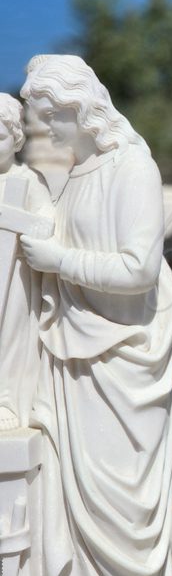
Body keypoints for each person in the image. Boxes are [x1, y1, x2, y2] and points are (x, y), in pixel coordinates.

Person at [19, 54, 172, 576]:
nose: (37, 131)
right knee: (70, 522)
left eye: (39, 118)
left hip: (121, 370)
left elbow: (138, 268)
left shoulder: (131, 167)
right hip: (68, 367)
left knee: (120, 529)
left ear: (69, 111)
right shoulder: (69, 176)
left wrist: (58, 259)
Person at [0, 93, 52, 430]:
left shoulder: (28, 181)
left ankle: (4, 400)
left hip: (14, 279)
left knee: (9, 340)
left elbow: (46, 226)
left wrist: (10, 218)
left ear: (16, 138)